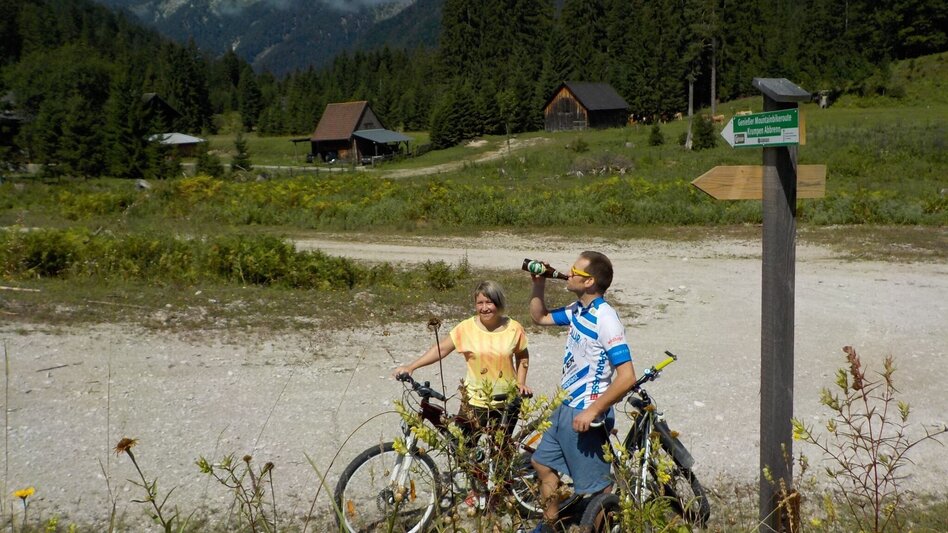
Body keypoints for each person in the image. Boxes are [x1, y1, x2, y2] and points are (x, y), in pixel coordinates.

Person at [528, 251, 637, 533]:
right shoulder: (578, 310)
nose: (569, 273)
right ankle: (552, 526)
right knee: (541, 463)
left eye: (576, 271)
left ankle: (599, 527)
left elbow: (627, 377)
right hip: (565, 406)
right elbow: (539, 318)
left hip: (585, 412)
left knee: (599, 489)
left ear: (590, 283)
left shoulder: (605, 318)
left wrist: (593, 410)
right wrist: (538, 284)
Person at [393, 279, 532, 438]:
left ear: (498, 303)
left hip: (507, 402)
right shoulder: (466, 328)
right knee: (463, 451)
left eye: (489, 302)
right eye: (480, 303)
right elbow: (441, 349)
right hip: (474, 401)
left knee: (500, 455)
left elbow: (522, 356)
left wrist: (521, 382)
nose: (484, 308)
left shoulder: (514, 328)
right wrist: (411, 366)